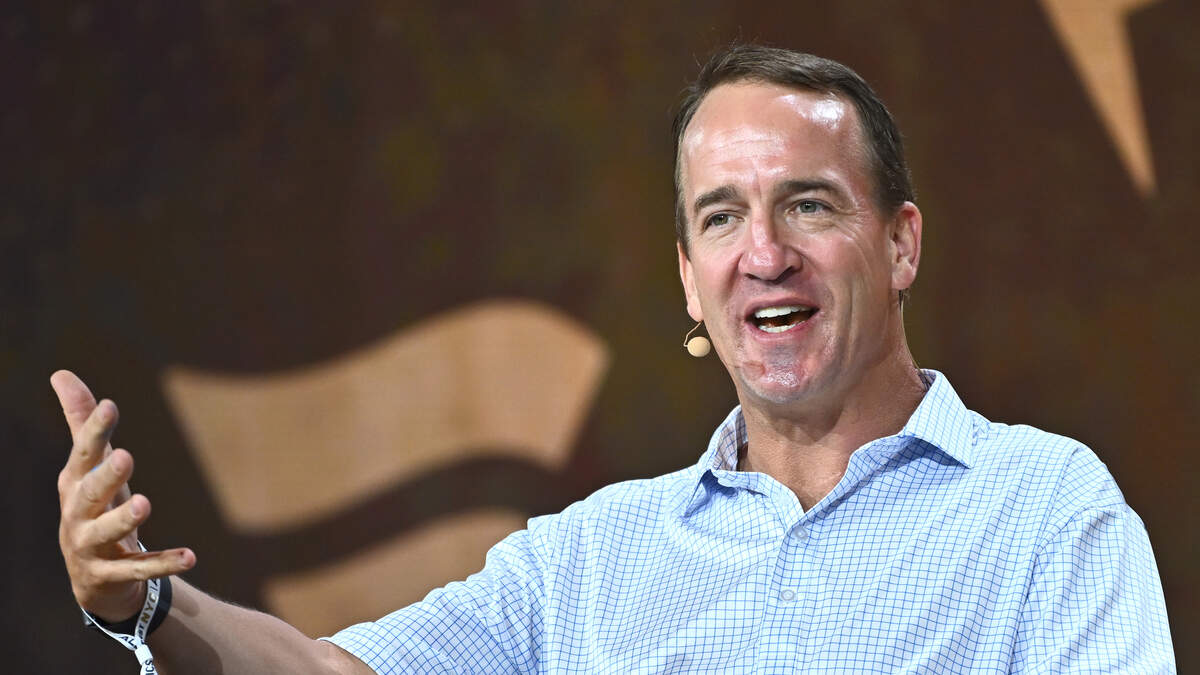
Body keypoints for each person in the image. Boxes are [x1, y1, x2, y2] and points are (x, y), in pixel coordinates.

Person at [54, 44, 1174, 673]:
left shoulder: (1045, 509)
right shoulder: (592, 557)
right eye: (723, 217)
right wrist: (151, 606)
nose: (765, 254)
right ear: (689, 278)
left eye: (809, 204)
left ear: (901, 243)